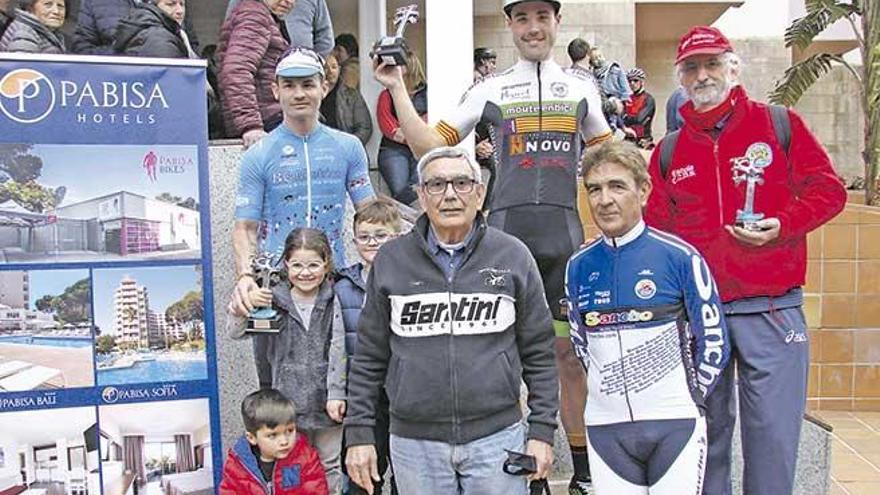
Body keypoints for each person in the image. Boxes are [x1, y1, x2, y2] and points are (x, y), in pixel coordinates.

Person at [371, 1, 612, 492]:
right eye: (522, 19)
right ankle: (524, 463)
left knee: (566, 356)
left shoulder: (583, 88)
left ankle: (581, 470)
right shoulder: (490, 88)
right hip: (505, 238)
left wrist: (612, 227)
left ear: (556, 23)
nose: (533, 27)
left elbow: (610, 161)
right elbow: (426, 145)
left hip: (564, 239)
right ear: (510, 26)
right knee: (503, 352)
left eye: (542, 17)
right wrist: (396, 87)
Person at [644, 26, 847, 495]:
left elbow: (829, 191)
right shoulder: (670, 150)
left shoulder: (779, 124)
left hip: (771, 309)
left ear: (732, 68)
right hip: (701, 316)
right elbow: (658, 232)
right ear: (681, 77)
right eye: (692, 67)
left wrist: (784, 223)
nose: (702, 75)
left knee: (773, 440)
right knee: (704, 440)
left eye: (712, 63)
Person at [344, 147, 559, 495]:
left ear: (479, 192)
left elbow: (540, 353)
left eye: (461, 183)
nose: (450, 195)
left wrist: (541, 432)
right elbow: (369, 358)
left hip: (497, 438)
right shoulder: (390, 261)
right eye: (436, 184)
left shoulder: (513, 256)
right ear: (419, 195)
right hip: (414, 444)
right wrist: (359, 435)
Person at [566, 141, 730, 494]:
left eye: (617, 186)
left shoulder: (680, 256)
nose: (604, 199)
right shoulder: (578, 266)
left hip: (674, 425)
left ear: (643, 192)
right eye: (594, 189)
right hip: (605, 427)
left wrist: (690, 396)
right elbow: (582, 345)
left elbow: (714, 340)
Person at [229, 46, 375, 318]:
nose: (298, 94)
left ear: (325, 87)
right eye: (289, 85)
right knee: (276, 362)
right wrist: (245, 277)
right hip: (275, 283)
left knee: (336, 361)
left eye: (308, 84)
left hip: (333, 279)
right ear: (276, 91)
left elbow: (370, 216)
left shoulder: (349, 146)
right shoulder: (259, 154)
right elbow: (245, 227)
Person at [246, 227, 347, 493]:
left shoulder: (336, 298)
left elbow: (340, 347)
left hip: (328, 406)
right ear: (286, 264)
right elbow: (246, 338)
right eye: (297, 265)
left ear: (326, 263)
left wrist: (337, 393)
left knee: (330, 464)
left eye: (314, 264)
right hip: (287, 407)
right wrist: (241, 305)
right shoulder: (273, 299)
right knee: (291, 467)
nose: (306, 272)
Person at [335, 197, 401, 495]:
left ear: (397, 237)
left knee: (405, 474)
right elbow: (335, 344)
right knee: (363, 477)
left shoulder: (410, 279)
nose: (372, 242)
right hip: (363, 396)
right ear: (354, 240)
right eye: (364, 236)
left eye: (381, 235)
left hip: (403, 394)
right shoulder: (342, 286)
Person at [220, 388, 330, 494]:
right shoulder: (238, 464)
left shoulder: (306, 458)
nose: (284, 441)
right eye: (273, 435)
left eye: (290, 431)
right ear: (252, 438)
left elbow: (316, 490)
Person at [217, 0, 295, 149]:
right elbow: (236, 70)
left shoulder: (260, 15)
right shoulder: (254, 16)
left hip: (265, 119)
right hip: (264, 123)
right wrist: (250, 125)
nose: (289, 1)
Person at [376, 51, 427, 205]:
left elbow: (429, 122)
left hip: (421, 148)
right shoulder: (386, 94)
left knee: (420, 185)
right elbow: (387, 125)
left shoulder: (428, 94)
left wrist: (413, 134)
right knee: (399, 189)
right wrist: (413, 134)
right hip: (393, 149)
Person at [72, 0, 199, 55]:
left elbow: (190, 43)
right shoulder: (95, 2)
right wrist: (126, 55)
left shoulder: (173, 4)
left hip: (166, 82)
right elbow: (82, 50)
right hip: (115, 88)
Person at [226, 0, 334, 57]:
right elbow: (228, 35)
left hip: (300, 77)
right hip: (258, 80)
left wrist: (309, 65)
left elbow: (325, 40)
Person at [320, 52, 373, 146]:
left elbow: (364, 128)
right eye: (325, 67)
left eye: (334, 67)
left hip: (346, 147)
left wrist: (349, 146)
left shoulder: (352, 95)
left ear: (339, 69)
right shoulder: (314, 95)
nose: (330, 71)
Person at [113, 0, 196, 58]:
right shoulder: (159, 39)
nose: (180, 11)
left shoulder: (172, 32)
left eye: (182, 4)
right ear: (155, 6)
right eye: (171, 4)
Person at [0, 0, 65, 54]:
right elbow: (22, 66)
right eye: (48, 5)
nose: (56, 11)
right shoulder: (24, 32)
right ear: (30, 8)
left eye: (60, 6)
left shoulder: (43, 31)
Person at [622, 68, 656, 149]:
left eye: (635, 80)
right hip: (629, 139)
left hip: (643, 140)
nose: (632, 83)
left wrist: (627, 118)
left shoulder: (648, 99)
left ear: (642, 82)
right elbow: (621, 119)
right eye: (629, 81)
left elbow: (640, 119)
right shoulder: (627, 99)